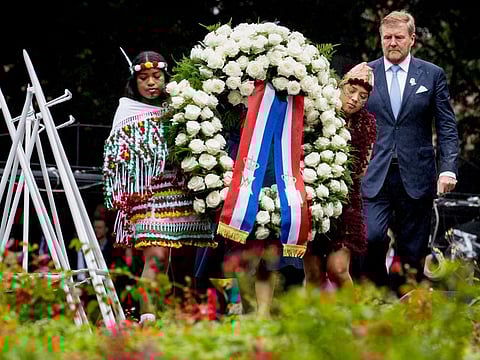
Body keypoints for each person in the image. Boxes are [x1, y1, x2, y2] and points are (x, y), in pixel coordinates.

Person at [102, 50, 215, 324]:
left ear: (166, 77)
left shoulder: (184, 108)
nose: (151, 82)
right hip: (147, 193)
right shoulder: (126, 111)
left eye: (156, 76)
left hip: (182, 190)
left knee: (185, 257)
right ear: (135, 81)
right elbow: (115, 158)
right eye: (144, 78)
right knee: (157, 255)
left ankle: (183, 317)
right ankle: (148, 318)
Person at [360, 10, 459, 292]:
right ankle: (377, 295)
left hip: (417, 174)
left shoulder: (431, 74)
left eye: (399, 37)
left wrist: (448, 168)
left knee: (412, 250)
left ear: (411, 39)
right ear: (380, 39)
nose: (392, 42)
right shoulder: (365, 73)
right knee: (372, 237)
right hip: (374, 172)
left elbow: (447, 127)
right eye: (387, 37)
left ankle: (405, 305)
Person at [303, 62, 377, 289]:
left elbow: (362, 169)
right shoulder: (318, 111)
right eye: (351, 91)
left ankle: (356, 320)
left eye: (363, 96)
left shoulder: (367, 124)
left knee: (338, 270)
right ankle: (314, 322)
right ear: (340, 86)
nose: (355, 99)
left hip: (346, 202)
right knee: (314, 273)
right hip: (313, 198)